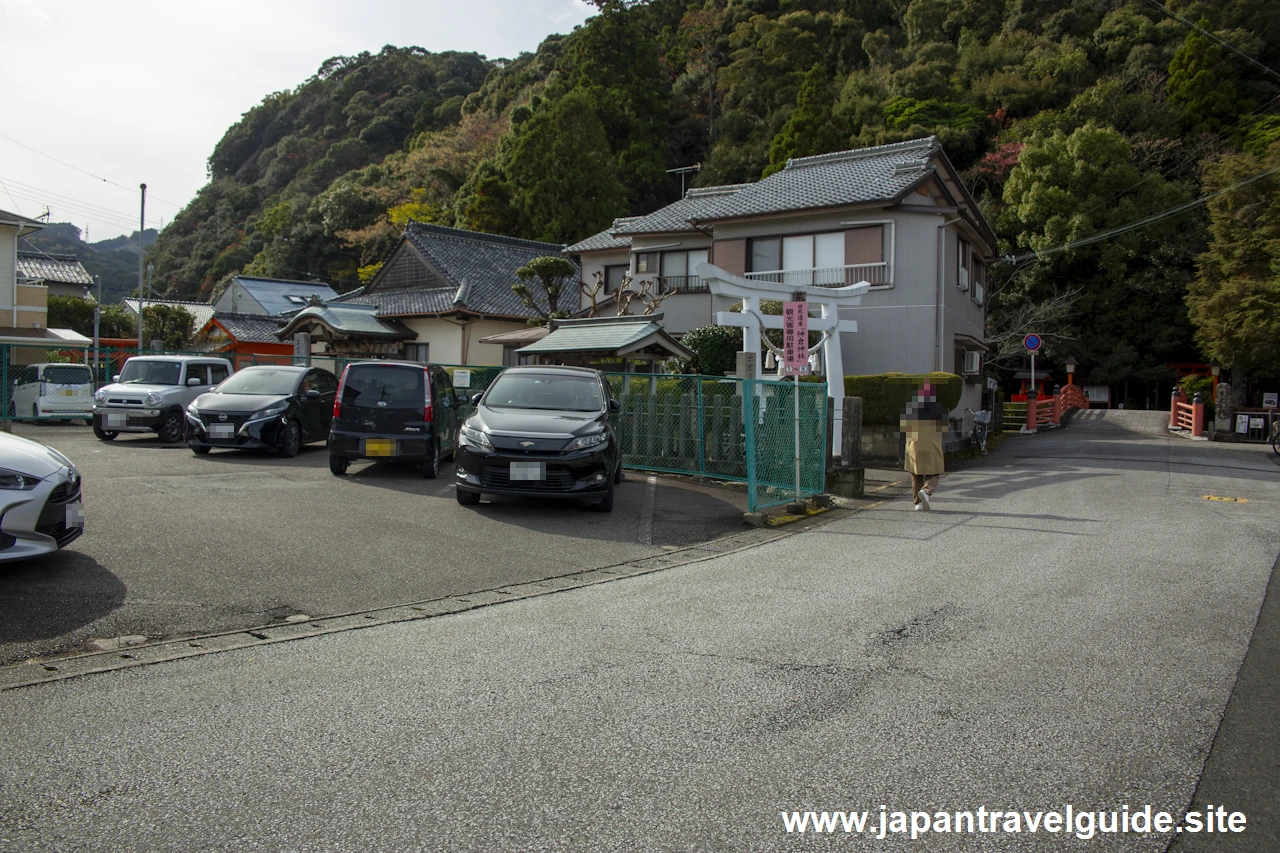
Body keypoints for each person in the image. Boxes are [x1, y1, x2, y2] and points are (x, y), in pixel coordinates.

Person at [901, 383, 946, 511]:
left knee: (916, 474)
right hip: (931, 443)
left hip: (914, 444)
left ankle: (918, 503)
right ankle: (926, 491)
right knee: (934, 472)